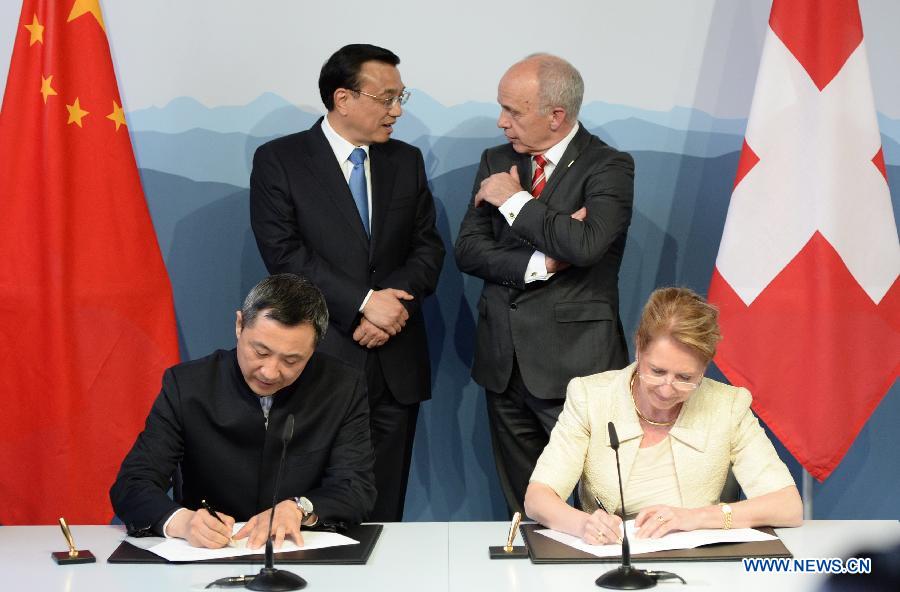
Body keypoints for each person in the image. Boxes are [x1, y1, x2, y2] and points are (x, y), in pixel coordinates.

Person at [249, 44, 444, 522]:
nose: (397, 111)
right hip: (321, 355)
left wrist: (390, 311)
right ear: (342, 97)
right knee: (309, 503)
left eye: (402, 97)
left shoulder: (405, 161)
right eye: (386, 98)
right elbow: (285, 254)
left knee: (385, 507)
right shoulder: (281, 160)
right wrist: (362, 303)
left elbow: (427, 249)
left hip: (394, 360)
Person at [454, 53, 634, 514]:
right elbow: (469, 251)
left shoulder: (608, 167)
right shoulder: (495, 160)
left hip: (577, 366)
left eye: (513, 111)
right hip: (503, 363)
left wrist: (512, 200)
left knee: (601, 503)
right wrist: (545, 261)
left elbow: (587, 245)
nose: (501, 122)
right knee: (528, 506)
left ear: (556, 116)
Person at [110, 274, 376, 549]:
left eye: (292, 360)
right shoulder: (188, 386)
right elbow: (133, 484)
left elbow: (356, 487)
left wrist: (301, 508)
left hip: (297, 550)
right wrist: (183, 522)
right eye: (260, 352)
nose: (270, 372)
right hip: (208, 554)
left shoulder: (342, 387)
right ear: (239, 325)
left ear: (313, 349)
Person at [524, 287, 803, 543]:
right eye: (657, 371)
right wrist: (582, 524)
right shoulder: (590, 397)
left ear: (704, 368)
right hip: (610, 560)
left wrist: (695, 518)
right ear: (639, 347)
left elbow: (787, 506)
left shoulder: (728, 405)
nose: (667, 389)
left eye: (685, 377)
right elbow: (537, 498)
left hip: (700, 563)